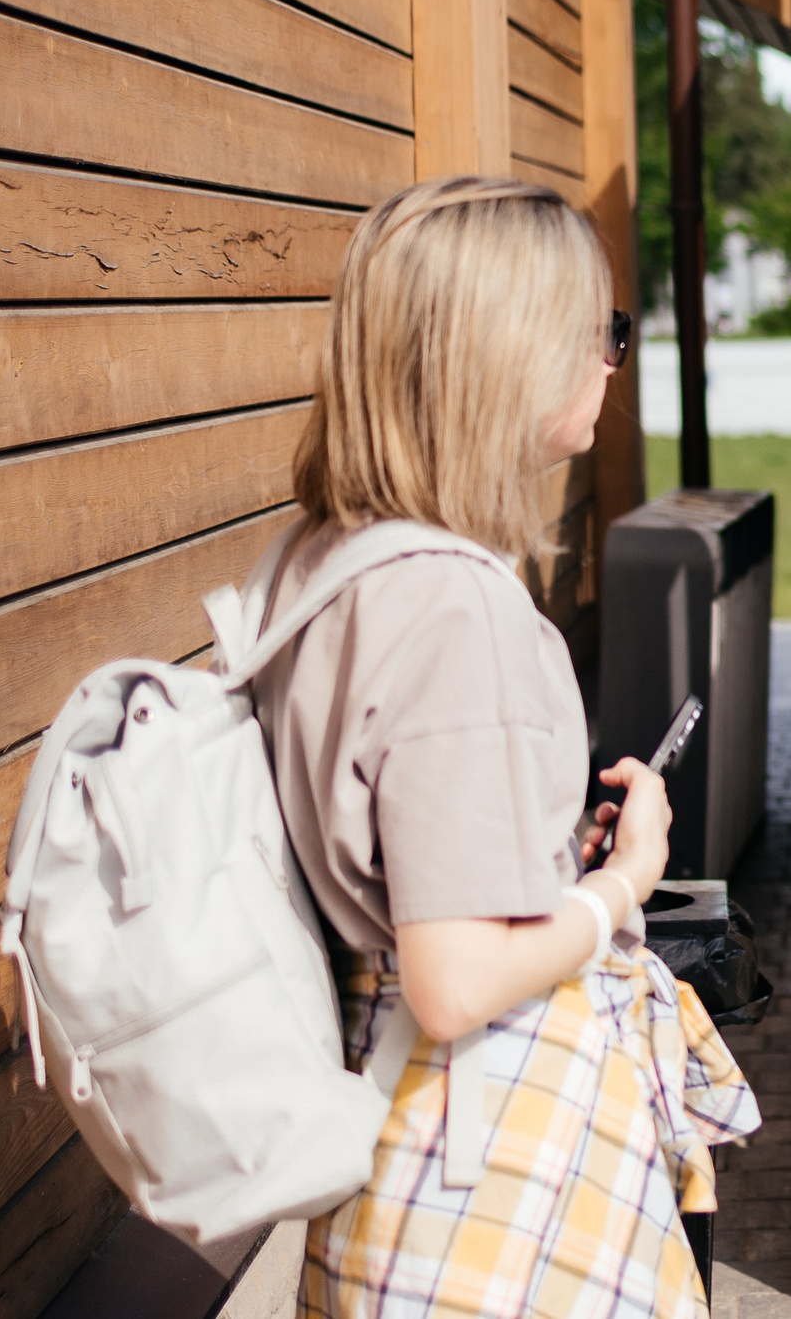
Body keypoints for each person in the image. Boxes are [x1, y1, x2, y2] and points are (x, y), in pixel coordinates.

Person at [255, 177, 760, 1318]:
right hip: (481, 1172)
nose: (612, 359)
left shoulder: (321, 563)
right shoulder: (456, 610)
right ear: (513, 354)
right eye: (603, 330)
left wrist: (540, 857)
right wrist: (623, 882)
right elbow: (456, 977)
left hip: (397, 1152)